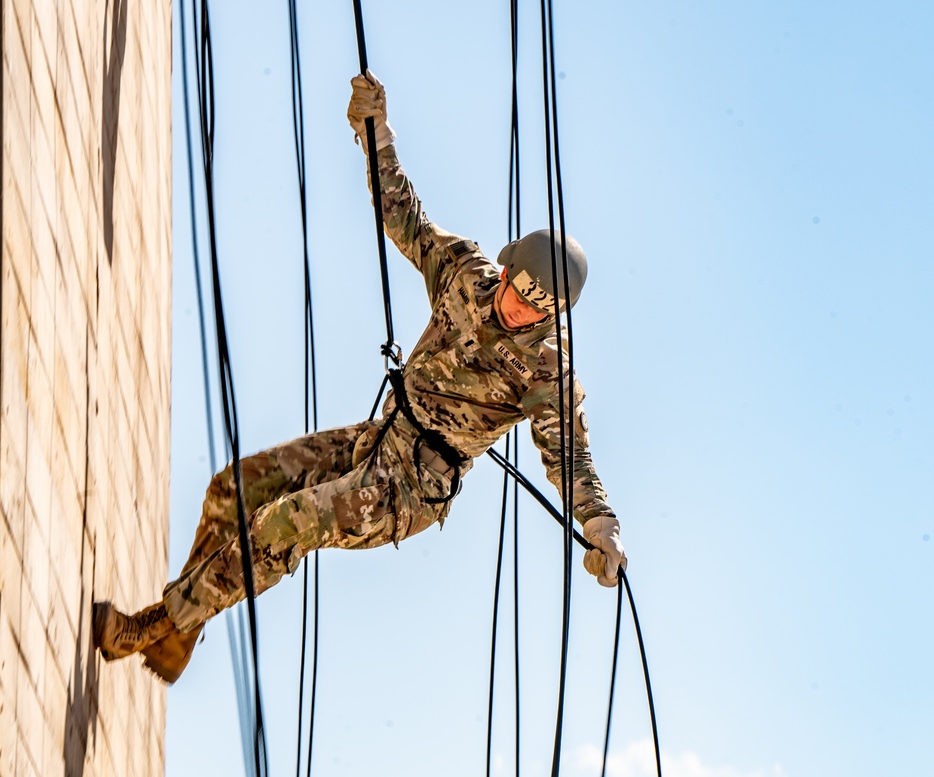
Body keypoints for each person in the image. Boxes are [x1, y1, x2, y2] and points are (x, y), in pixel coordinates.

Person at [93, 72, 626, 683]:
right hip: (378, 437)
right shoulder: (465, 273)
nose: (522, 308)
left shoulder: (546, 368)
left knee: (284, 525)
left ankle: (154, 626)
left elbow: (569, 455)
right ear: (507, 269)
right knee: (231, 491)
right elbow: (404, 217)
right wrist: (375, 134)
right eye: (523, 290)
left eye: (541, 307)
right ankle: (179, 635)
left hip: (410, 487)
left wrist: (598, 524)